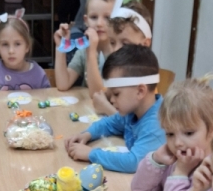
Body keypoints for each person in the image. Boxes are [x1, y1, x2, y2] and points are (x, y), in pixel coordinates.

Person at [131, 78, 213, 191]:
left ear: (212, 129)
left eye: (189, 133)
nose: (178, 143)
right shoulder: (176, 157)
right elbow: (139, 189)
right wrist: (156, 160)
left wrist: (180, 172)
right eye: (170, 134)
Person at [64, 45, 164, 173]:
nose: (111, 100)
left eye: (116, 94)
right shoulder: (133, 111)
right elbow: (109, 123)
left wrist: (90, 154)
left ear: (140, 91)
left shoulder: (156, 124)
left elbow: (134, 162)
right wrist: (87, 134)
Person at [92, 0, 153, 115]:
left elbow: (136, 124)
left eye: (125, 44)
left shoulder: (145, 78)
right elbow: (104, 94)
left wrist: (105, 107)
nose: (116, 50)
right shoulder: (121, 71)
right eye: (112, 42)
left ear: (145, 44)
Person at [54, 0, 117, 95]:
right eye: (94, 17)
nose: (99, 23)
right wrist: (61, 46)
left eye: (107, 18)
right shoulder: (83, 52)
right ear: (86, 21)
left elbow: (99, 94)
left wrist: (91, 53)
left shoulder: (121, 55)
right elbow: (63, 84)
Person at [0, 11, 50, 92]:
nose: (11, 51)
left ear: (27, 46)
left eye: (17, 44)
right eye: (5, 44)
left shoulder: (38, 74)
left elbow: (49, 97)